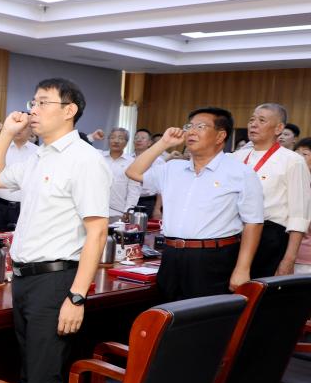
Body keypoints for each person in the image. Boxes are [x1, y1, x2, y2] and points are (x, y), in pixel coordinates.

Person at [0, 77, 110, 383]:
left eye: (42, 103)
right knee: (31, 372)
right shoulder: (38, 156)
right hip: (27, 279)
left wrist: (77, 296)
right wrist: (6, 134)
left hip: (57, 281)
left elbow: (96, 232)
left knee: (43, 378)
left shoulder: (84, 160)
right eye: (32, 101)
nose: (32, 110)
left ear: (69, 110)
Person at [127, 108, 263, 302]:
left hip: (213, 258)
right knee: (166, 312)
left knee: (205, 316)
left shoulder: (240, 173)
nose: (191, 131)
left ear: (220, 136)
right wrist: (163, 143)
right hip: (171, 254)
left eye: (201, 127)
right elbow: (133, 172)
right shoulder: (172, 168)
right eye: (189, 126)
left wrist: (242, 269)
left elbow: (253, 223)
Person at [234, 103, 310, 277]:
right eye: (251, 120)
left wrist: (289, 259)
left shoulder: (293, 160)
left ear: (279, 128)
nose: (253, 124)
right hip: (234, 233)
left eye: (262, 120)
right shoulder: (236, 157)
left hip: (270, 238)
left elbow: (299, 215)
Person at [103, 127, 141, 219]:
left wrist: (129, 211)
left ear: (126, 142)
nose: (116, 141)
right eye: (112, 137)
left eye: (120, 138)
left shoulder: (132, 162)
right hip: (94, 211)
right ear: (108, 140)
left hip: (118, 213)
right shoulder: (99, 158)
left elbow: (134, 190)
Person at [133, 128, 163, 214]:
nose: (139, 140)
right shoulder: (127, 158)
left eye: (143, 138)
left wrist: (157, 208)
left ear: (149, 143)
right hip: (127, 200)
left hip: (148, 201)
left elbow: (161, 187)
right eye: (136, 137)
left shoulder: (158, 161)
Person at [293, 137, 311, 274]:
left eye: (304, 154)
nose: (298, 158)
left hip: (306, 261)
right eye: (296, 153)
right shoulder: (292, 183)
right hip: (286, 256)